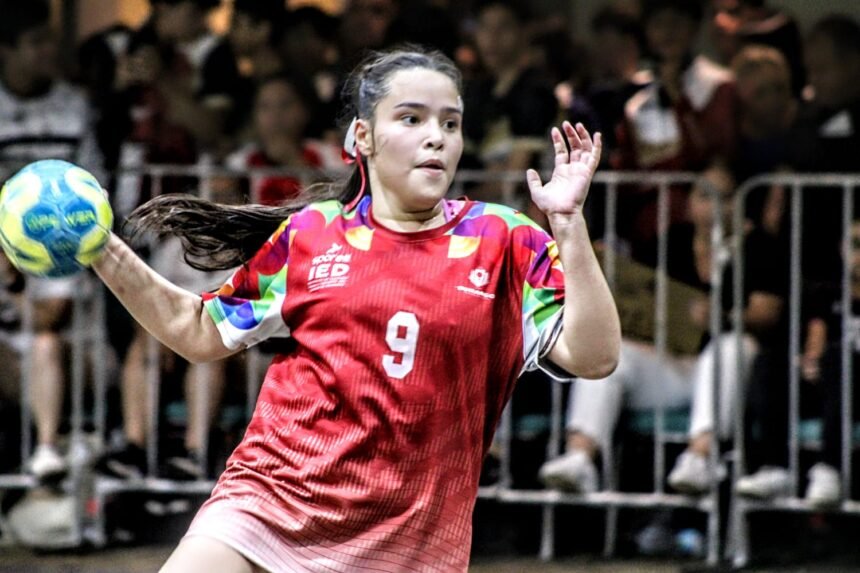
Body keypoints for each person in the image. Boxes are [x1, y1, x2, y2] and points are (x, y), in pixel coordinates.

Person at [87, 47, 619, 572]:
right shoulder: (311, 234)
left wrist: (568, 223)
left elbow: (594, 357)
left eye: (450, 123)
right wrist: (100, 246)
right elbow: (197, 331)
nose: (436, 136)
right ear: (363, 137)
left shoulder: (504, 239)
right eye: (411, 118)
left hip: (408, 543)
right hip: (268, 503)